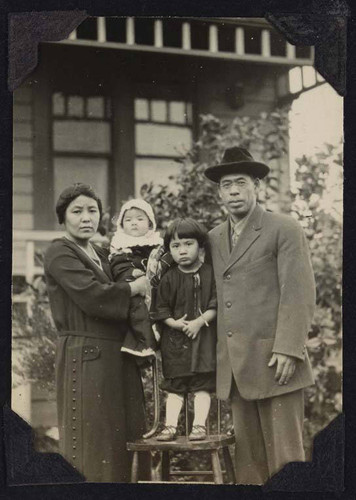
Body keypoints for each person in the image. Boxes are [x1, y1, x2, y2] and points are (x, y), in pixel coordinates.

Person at [204, 147, 315, 484]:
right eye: (226, 185)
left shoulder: (284, 228)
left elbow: (299, 292)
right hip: (236, 369)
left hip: (275, 362)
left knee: (285, 461)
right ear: (219, 192)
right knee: (249, 467)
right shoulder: (212, 238)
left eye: (241, 182)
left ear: (257, 186)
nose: (233, 191)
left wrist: (289, 348)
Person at [44, 183, 150, 482]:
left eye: (92, 210)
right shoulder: (59, 252)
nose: (86, 217)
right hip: (85, 356)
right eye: (76, 211)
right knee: (92, 443)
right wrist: (133, 288)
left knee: (127, 439)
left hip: (118, 355)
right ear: (63, 218)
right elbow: (93, 296)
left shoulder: (104, 253)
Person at [152, 218, 217, 441]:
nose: (182, 250)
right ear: (169, 249)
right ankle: (170, 426)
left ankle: (199, 426)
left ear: (200, 246)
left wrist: (200, 321)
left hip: (203, 338)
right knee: (175, 388)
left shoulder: (210, 274)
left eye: (188, 244)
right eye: (175, 246)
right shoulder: (169, 278)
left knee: (202, 386)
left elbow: (215, 304)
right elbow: (160, 309)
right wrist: (174, 323)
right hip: (176, 343)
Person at [109, 199, 162, 358]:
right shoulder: (121, 245)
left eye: (140, 219)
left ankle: (159, 335)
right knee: (137, 309)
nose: (134, 223)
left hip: (154, 284)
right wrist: (132, 272)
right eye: (128, 220)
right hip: (132, 283)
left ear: (150, 223)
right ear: (121, 224)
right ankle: (145, 343)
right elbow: (118, 265)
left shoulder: (155, 243)